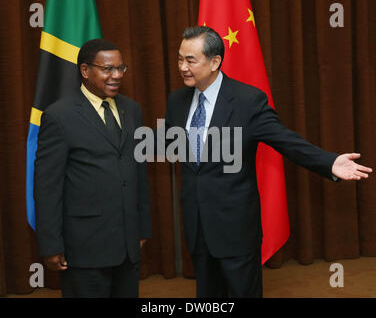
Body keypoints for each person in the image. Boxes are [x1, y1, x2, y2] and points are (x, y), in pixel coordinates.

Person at [164, 26, 372, 298]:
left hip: (235, 229)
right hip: (197, 226)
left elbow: (285, 139)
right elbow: (171, 144)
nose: (182, 67)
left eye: (191, 60)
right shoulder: (177, 100)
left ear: (215, 62)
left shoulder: (247, 100)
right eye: (180, 58)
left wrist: (328, 162)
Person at [34, 39, 151, 298]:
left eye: (121, 68)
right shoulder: (59, 116)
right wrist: (51, 244)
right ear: (85, 71)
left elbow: (138, 172)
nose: (117, 75)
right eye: (108, 69)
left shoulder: (132, 109)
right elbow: (47, 186)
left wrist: (142, 227)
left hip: (128, 245)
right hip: (84, 248)